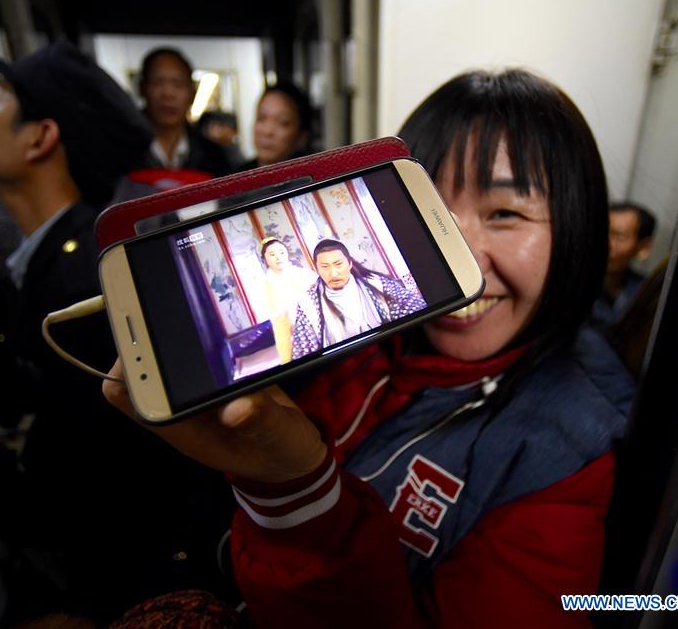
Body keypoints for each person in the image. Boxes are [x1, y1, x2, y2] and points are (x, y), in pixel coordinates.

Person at [103, 68, 635, 628]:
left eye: (505, 213)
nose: (463, 254)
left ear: (577, 228)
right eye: (432, 206)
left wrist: (297, 498)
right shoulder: (367, 331)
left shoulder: (573, 450)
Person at [0, 35, 232, 620]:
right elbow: (30, 391)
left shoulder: (87, 280)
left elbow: (86, 490)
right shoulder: (46, 254)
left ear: (40, 137)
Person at [291, 239, 427, 360]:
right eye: (325, 267)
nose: (333, 273)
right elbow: (304, 352)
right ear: (317, 269)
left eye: (338, 264)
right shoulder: (308, 303)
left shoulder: (376, 283)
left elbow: (414, 308)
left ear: (349, 263)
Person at [138, 48, 232, 177]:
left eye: (178, 83)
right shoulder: (120, 152)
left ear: (192, 93)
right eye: (158, 82)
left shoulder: (213, 156)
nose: (168, 94)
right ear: (142, 89)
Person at [590, 203, 656, 329]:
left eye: (619, 237)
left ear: (644, 247)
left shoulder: (644, 293)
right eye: (604, 232)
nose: (608, 243)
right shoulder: (574, 284)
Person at [259, 237, 317, 364]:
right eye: (272, 254)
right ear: (264, 259)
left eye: (281, 252)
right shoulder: (269, 285)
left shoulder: (304, 274)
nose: (278, 257)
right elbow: (280, 322)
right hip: (299, 334)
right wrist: (286, 358)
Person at [239, 82, 313, 170]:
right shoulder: (236, 176)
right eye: (261, 118)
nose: (267, 131)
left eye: (282, 122)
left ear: (302, 137)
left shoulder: (314, 175)